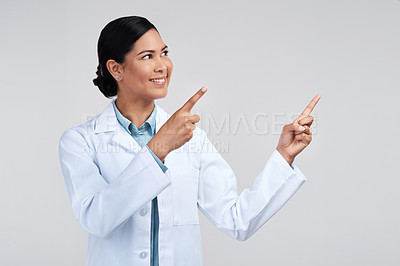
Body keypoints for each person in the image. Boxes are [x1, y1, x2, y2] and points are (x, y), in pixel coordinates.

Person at [58, 16, 321, 266]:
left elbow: (236, 220)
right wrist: (158, 148)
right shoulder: (81, 141)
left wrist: (284, 157)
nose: (162, 65)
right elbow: (97, 220)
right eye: (147, 56)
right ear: (116, 69)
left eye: (164, 52)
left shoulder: (192, 138)